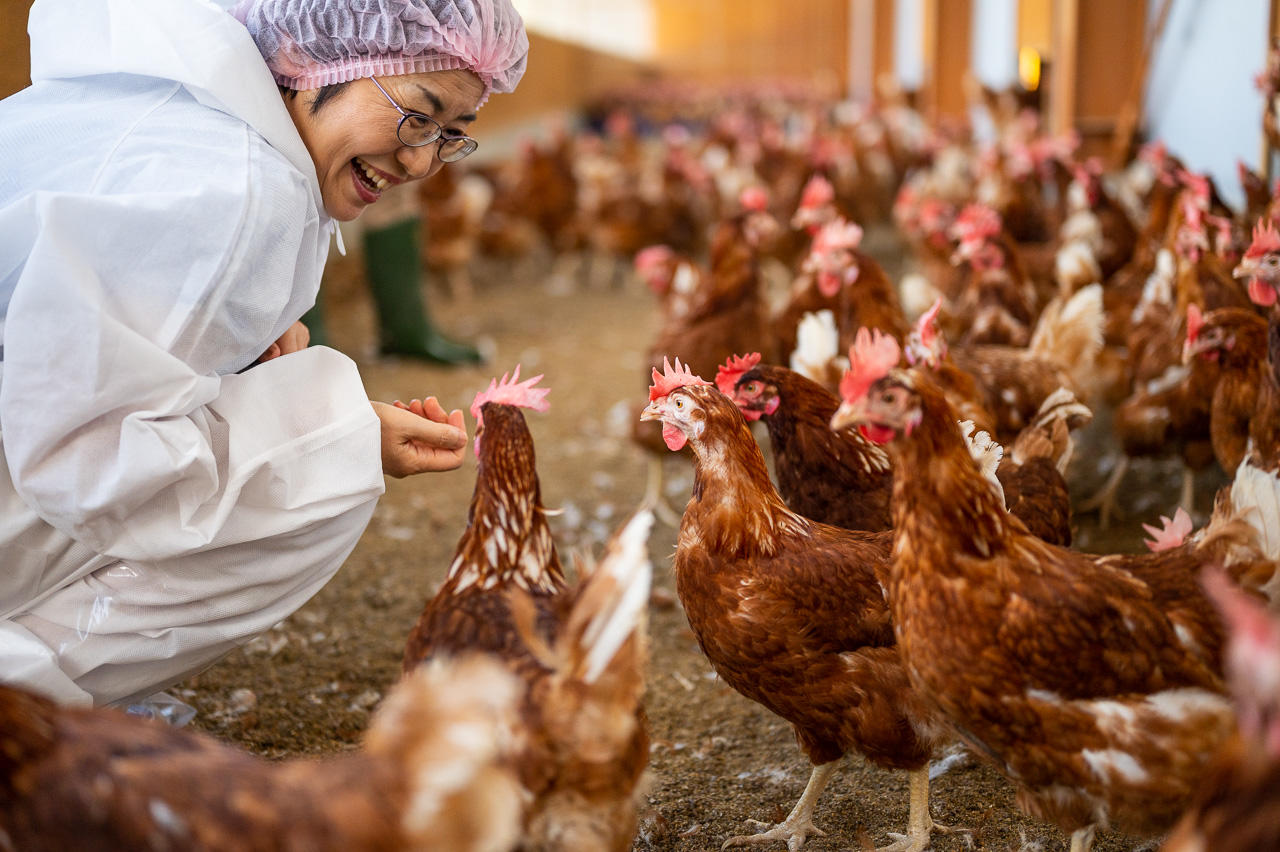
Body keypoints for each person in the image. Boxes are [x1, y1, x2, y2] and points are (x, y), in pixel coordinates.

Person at [0, 0, 527, 708]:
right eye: (417, 114)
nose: (421, 159)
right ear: (323, 62)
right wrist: (344, 438)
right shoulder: (247, 187)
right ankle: (22, 703)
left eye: (451, 135)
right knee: (324, 475)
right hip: (41, 466)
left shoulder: (170, 106)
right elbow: (89, 466)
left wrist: (234, 366)